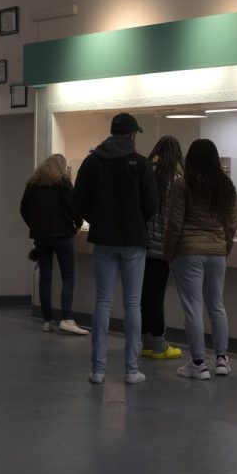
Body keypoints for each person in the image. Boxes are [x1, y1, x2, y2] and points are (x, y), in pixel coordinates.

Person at [73, 113, 158, 385]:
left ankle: (97, 370)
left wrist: (97, 220)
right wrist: (134, 220)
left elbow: (79, 201)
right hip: (133, 240)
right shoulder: (141, 164)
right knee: (133, 304)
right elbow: (151, 205)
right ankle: (132, 370)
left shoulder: (92, 161)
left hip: (104, 239)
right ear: (132, 135)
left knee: (102, 302)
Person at [164, 139, 237, 380]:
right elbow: (230, 224)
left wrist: (169, 252)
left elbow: (175, 222)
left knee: (193, 309)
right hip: (217, 251)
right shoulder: (226, 186)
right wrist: (224, 248)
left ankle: (198, 363)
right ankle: (222, 359)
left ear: (191, 159)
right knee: (216, 306)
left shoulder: (183, 185)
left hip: (189, 251)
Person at [19, 154, 87, 335]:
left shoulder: (32, 185)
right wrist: (78, 224)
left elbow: (23, 209)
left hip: (41, 237)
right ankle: (66, 317)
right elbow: (73, 207)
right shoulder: (63, 183)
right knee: (68, 277)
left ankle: (47, 320)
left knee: (45, 278)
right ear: (62, 167)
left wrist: (34, 226)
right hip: (62, 236)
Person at [141, 136, 184, 360]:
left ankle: (146, 340)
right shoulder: (176, 179)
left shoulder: (146, 173)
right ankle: (159, 344)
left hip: (142, 245)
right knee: (157, 295)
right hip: (163, 247)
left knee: (144, 295)